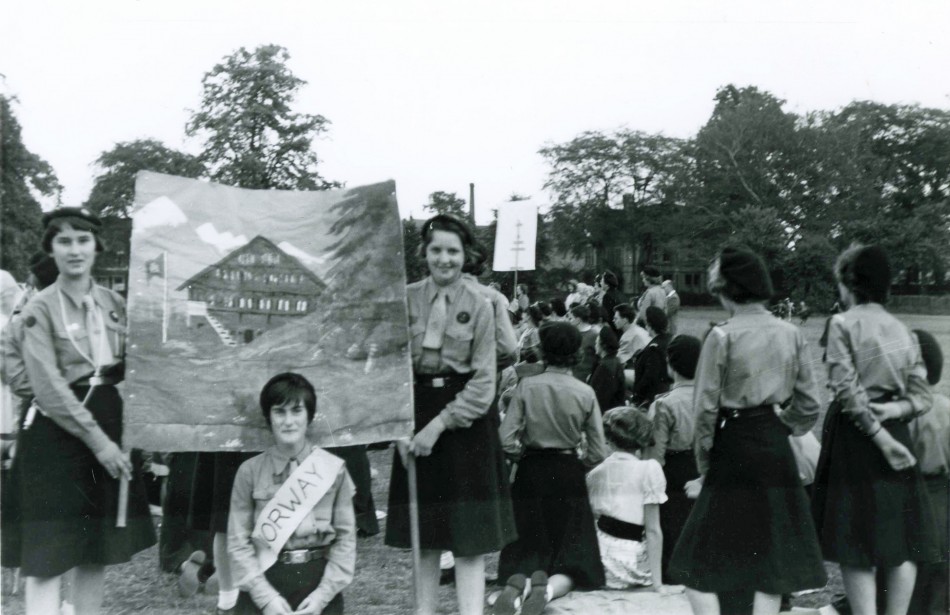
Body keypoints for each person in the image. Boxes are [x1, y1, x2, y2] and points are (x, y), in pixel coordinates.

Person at [669, 246, 826, 615]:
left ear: (726, 289)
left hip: (733, 446)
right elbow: (810, 403)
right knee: (770, 558)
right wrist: (782, 425)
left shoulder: (722, 337)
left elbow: (705, 408)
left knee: (695, 558)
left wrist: (705, 463)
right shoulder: (790, 333)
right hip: (775, 444)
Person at [15, 207, 155, 615]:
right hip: (56, 435)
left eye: (83, 240)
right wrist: (100, 444)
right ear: (51, 250)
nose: (74, 250)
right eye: (64, 241)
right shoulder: (38, 309)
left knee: (96, 549)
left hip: (108, 425)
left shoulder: (114, 302)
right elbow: (49, 388)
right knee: (47, 555)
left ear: (96, 246)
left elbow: (133, 365)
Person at [386, 214, 515, 615]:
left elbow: (483, 385)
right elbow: (389, 369)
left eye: (453, 251)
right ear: (423, 252)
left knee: (467, 540)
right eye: (436, 250)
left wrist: (436, 428)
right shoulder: (402, 299)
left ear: (467, 255)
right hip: (413, 412)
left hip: (464, 425)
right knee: (426, 536)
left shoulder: (483, 304)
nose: (444, 259)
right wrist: (398, 426)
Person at [812, 244, 939, 615]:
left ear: (848, 283)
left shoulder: (841, 323)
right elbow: (921, 396)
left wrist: (877, 430)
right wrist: (891, 410)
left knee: (856, 546)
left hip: (858, 436)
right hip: (896, 432)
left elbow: (846, 389)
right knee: (898, 541)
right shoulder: (904, 330)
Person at [496, 322, 607, 615]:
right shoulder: (585, 392)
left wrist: (522, 456)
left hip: (531, 469)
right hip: (568, 469)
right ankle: (544, 591)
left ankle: (516, 585)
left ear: (542, 350)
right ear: (577, 353)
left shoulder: (526, 386)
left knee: (528, 544)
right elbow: (598, 451)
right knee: (571, 555)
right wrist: (577, 463)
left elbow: (505, 439)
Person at [588, 406, 678, 593]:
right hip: (631, 562)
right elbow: (653, 530)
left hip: (600, 561)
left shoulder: (595, 473)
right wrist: (658, 584)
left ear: (609, 440)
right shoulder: (649, 469)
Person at [643, 334, 702, 582]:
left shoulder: (664, 404)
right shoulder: (712, 398)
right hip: (703, 469)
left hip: (673, 470)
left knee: (672, 529)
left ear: (670, 364)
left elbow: (654, 458)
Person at [906, 329, 948, 615]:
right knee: (939, 576)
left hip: (912, 496)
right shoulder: (947, 407)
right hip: (943, 500)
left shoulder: (902, 412)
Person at [630, 307, 672, 408]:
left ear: (649, 325)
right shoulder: (668, 340)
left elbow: (649, 378)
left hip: (650, 399)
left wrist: (636, 397)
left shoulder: (654, 348)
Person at [589, 326, 626, 413]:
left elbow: (600, 398)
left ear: (602, 345)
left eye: (596, 343)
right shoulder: (616, 361)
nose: (595, 345)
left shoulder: (604, 367)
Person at [567, 304, 597, 383]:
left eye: (570, 318)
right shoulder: (571, 333)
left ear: (578, 320)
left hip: (586, 377)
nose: (568, 321)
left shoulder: (594, 335)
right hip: (571, 375)